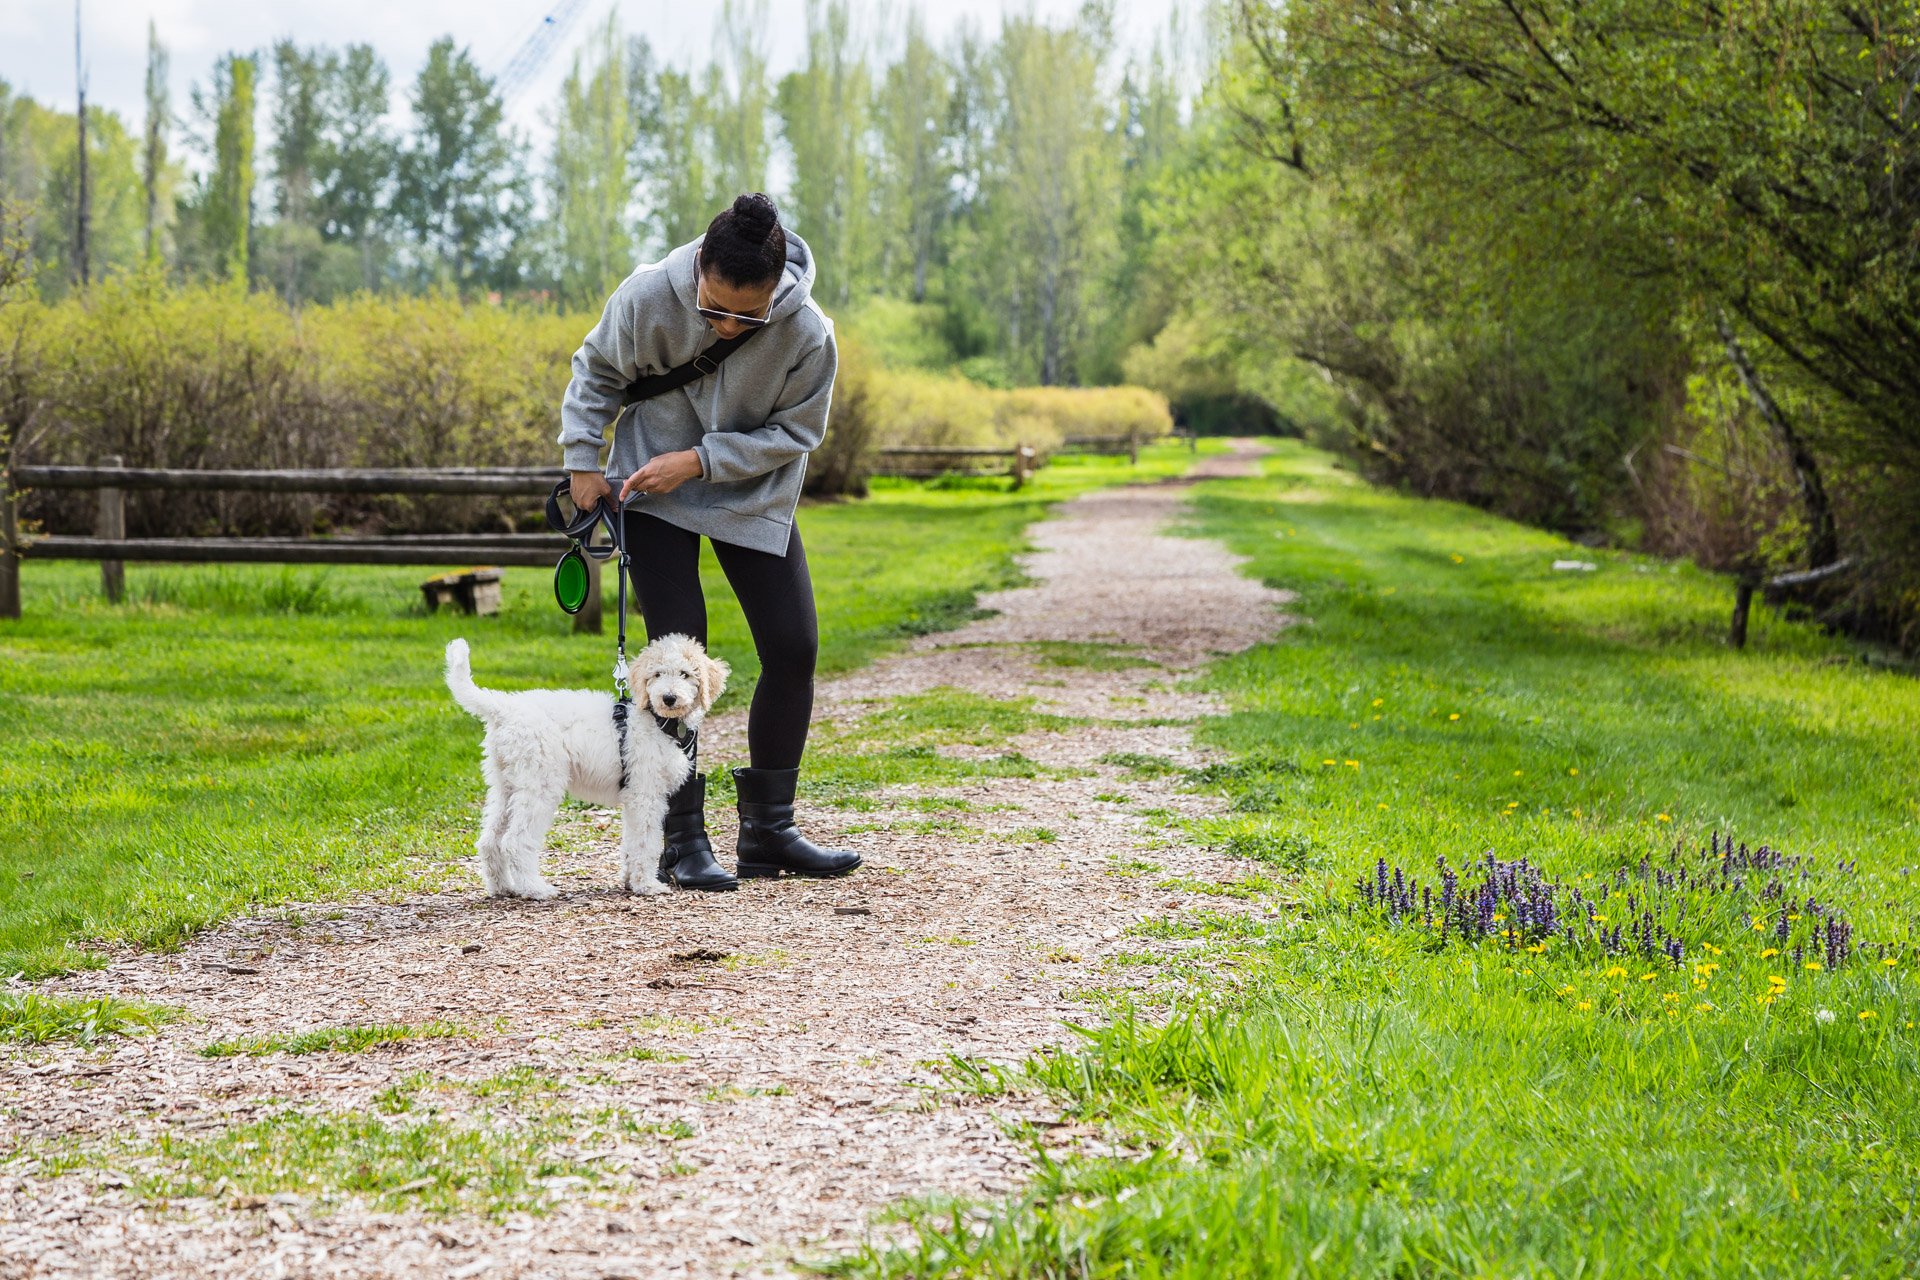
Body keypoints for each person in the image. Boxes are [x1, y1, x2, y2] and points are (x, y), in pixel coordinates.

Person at [559, 192, 860, 892]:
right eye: (712, 308)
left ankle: (769, 831)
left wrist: (699, 461)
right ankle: (682, 840)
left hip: (751, 492)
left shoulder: (809, 333)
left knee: (794, 646)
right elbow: (596, 369)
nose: (725, 327)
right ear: (699, 268)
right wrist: (582, 461)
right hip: (648, 490)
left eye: (745, 315)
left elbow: (798, 433)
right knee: (676, 652)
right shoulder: (646, 293)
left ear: (776, 290)